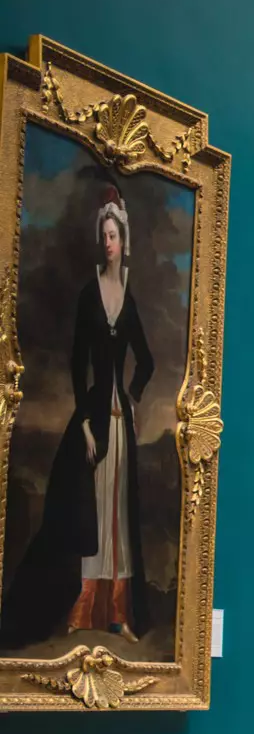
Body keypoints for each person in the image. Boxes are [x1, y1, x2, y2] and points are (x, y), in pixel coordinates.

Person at [0, 184, 156, 646]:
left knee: (119, 519)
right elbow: (75, 360)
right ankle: (83, 608)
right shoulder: (89, 294)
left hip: (120, 425)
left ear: (123, 241)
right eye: (103, 235)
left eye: (114, 235)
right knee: (91, 514)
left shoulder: (128, 301)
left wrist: (133, 395)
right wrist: (85, 422)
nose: (108, 243)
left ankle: (118, 613)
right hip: (93, 421)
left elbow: (146, 360)